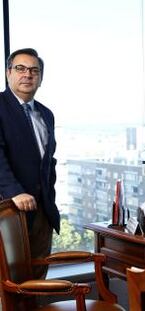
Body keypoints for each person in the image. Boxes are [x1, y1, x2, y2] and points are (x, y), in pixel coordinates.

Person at [0, 48, 59, 279]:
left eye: (35, 70)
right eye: (21, 68)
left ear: (41, 78)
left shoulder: (46, 114)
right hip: (8, 210)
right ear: (8, 73)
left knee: (36, 281)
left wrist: (49, 200)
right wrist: (15, 192)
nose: (28, 75)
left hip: (41, 213)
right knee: (9, 285)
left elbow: (48, 162)